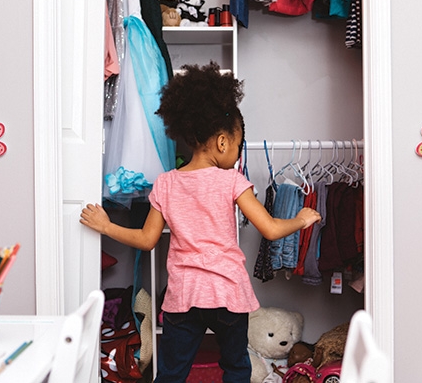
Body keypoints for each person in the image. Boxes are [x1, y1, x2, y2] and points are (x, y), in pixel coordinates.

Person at [80, 62, 322, 383]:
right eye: (236, 147)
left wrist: (106, 225)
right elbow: (271, 229)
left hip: (185, 296)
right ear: (223, 142)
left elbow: (147, 239)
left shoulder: (165, 183)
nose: (236, 155)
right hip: (228, 293)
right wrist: (301, 218)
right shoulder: (232, 181)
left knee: (171, 373)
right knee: (236, 367)